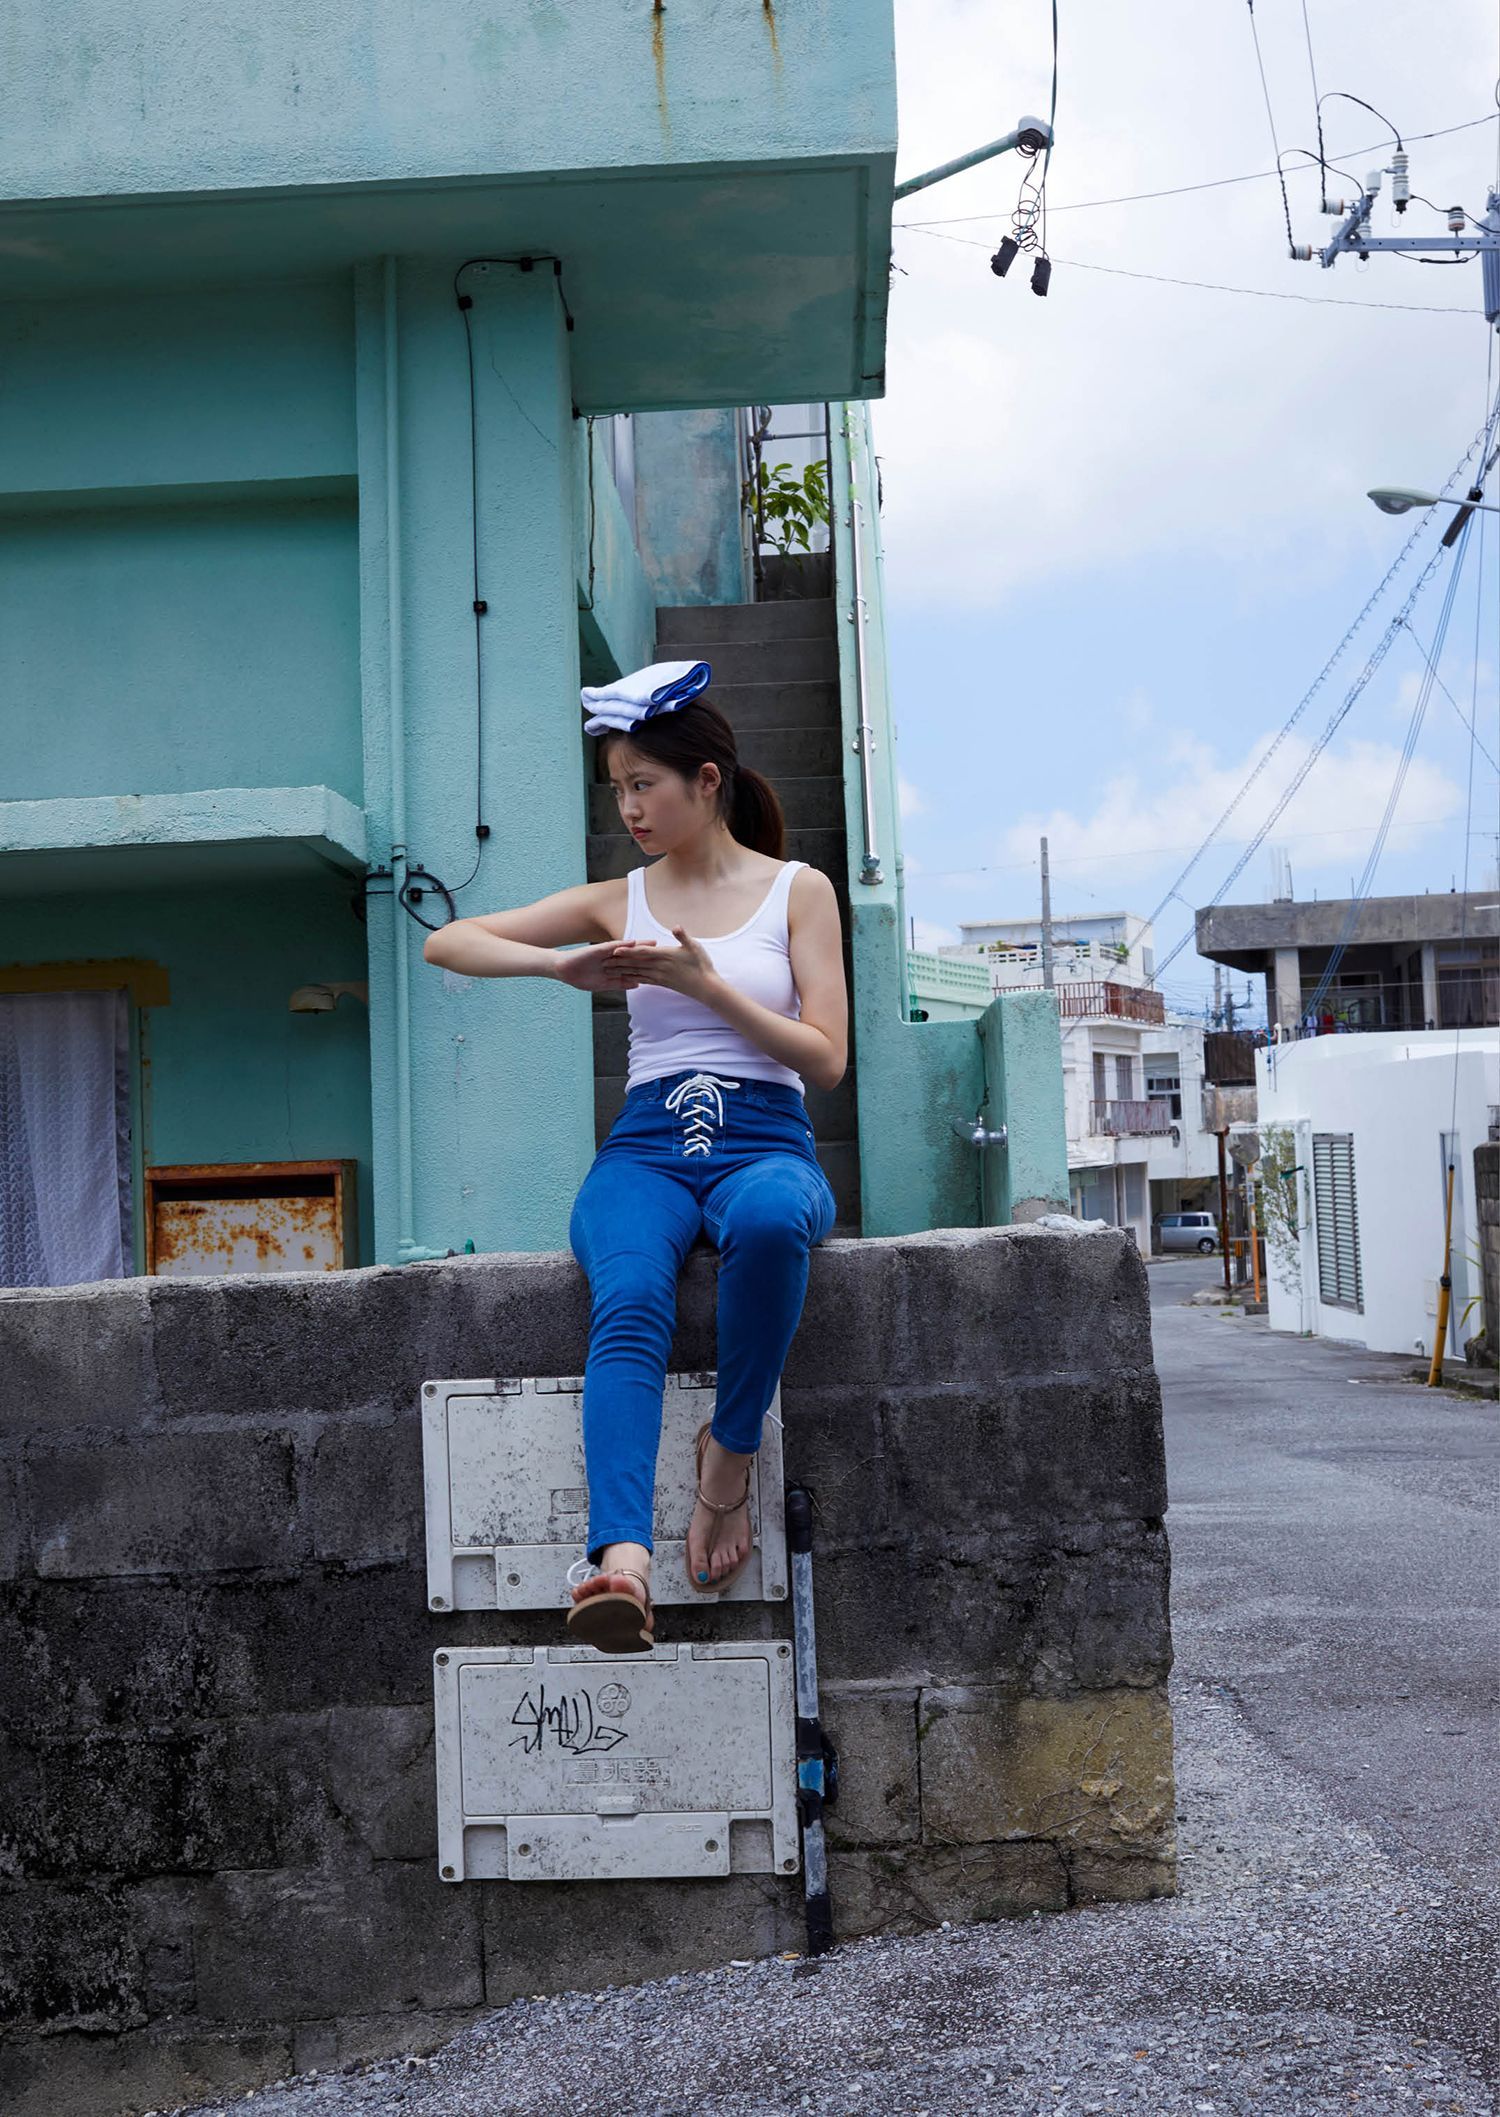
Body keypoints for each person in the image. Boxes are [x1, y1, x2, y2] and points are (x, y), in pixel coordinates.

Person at [422, 659, 848, 1655]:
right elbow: (450, 942)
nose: (629, 808)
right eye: (618, 788)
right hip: (647, 1148)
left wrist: (710, 988)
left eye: (643, 784)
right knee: (629, 1292)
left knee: (771, 1221)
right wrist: (560, 964)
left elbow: (826, 1057)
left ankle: (726, 1461)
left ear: (708, 780)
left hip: (765, 1139)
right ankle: (621, 1561)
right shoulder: (621, 899)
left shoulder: (799, 891)